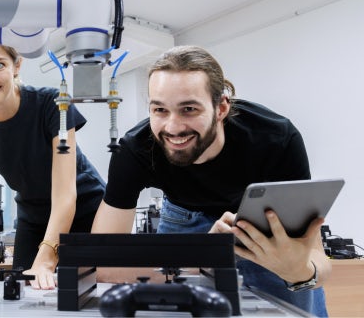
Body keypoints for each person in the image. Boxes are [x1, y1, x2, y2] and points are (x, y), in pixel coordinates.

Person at [91, 45, 331, 316]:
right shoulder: (135, 149)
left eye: (189, 109)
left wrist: (299, 273)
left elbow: (318, 263)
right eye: (159, 110)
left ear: (221, 108)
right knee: (169, 309)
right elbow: (103, 262)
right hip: (182, 216)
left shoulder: (276, 138)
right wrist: (203, 255)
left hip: (259, 223)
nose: (172, 127)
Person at [0, 37, 105, 290]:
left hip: (85, 208)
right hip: (33, 216)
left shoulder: (53, 103)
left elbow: (64, 194)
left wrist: (47, 258)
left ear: (17, 66)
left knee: (85, 290)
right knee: (22, 289)